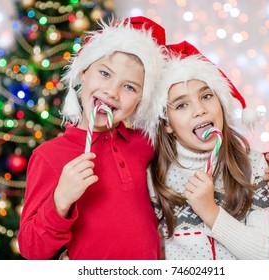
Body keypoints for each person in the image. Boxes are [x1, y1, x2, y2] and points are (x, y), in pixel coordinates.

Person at [17, 17, 167, 260]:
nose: (112, 91)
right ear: (84, 71)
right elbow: (31, 249)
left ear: (142, 99)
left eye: (130, 87)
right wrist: (61, 199)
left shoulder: (145, 143)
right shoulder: (48, 156)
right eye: (105, 73)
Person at [148, 41, 269, 259]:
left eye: (206, 96)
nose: (200, 109)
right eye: (181, 105)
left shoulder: (253, 165)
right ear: (166, 123)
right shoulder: (154, 176)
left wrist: (210, 210)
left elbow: (264, 255)